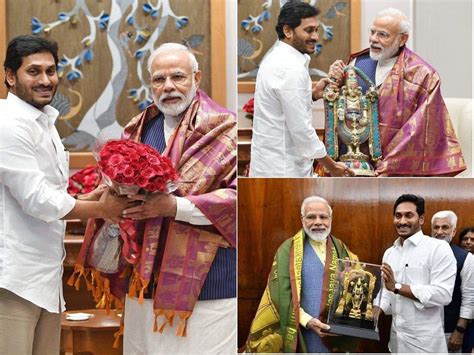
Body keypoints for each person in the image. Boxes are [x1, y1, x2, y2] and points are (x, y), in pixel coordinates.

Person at [70, 43, 236, 354]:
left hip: (209, 281)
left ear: (196, 78)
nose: (168, 87)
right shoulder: (137, 128)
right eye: (159, 80)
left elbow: (238, 199)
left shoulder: (225, 129)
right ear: (150, 85)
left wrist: (173, 206)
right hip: (144, 273)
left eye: (178, 77)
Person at [0, 35, 130, 355]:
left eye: (51, 71)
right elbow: (37, 200)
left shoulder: (44, 122)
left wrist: (91, 198)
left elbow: (51, 192)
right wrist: (103, 208)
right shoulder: (8, 123)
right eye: (34, 71)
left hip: (46, 277)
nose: (45, 80)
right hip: (13, 279)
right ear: (10, 76)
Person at [329, 8, 465, 176]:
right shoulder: (358, 63)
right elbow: (340, 110)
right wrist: (334, 82)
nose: (373, 40)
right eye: (372, 32)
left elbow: (421, 130)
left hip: (400, 172)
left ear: (402, 39)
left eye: (382, 35)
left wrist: (388, 166)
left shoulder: (423, 75)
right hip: (354, 167)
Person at [248, 1, 354, 177]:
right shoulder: (290, 68)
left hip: (274, 168)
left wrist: (311, 95)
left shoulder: (279, 58)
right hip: (283, 171)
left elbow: (282, 106)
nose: (315, 37)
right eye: (309, 30)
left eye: (316, 30)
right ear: (288, 31)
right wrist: (331, 166)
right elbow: (301, 129)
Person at [245, 196, 359, 352]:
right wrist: (307, 321)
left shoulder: (342, 249)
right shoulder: (287, 250)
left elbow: (358, 291)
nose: (318, 222)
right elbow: (280, 295)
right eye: (311, 217)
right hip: (301, 333)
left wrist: (346, 282)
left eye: (323, 217)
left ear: (330, 219)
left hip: (333, 335)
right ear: (302, 219)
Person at [375, 194, 457, 353]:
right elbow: (386, 291)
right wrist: (375, 311)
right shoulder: (389, 253)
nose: (402, 221)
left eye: (409, 215)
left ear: (421, 219)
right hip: (396, 343)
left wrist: (397, 287)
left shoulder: (438, 248)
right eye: (398, 216)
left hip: (425, 346)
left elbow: (443, 294)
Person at [431, 211, 474, 352]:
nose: (439, 232)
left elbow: (469, 298)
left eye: (445, 227)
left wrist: (459, 331)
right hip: (423, 330)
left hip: (449, 331)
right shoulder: (422, 254)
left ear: (454, 231)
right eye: (436, 227)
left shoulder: (465, 258)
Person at [459, 226, 474, 352]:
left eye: (472, 239)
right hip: (460, 318)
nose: (468, 242)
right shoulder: (456, 260)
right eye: (465, 239)